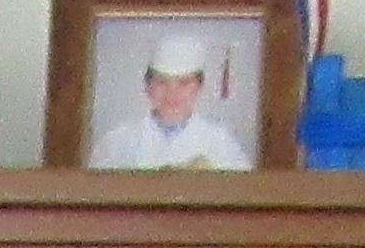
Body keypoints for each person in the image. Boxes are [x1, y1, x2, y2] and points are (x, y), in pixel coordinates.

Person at [93, 32, 253, 169]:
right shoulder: (119, 141)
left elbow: (246, 193)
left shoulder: (220, 141)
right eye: (162, 82)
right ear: (148, 86)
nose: (172, 93)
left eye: (183, 83)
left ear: (199, 87)